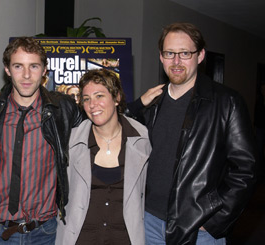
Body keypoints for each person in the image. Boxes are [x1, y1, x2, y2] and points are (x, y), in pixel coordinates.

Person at [127, 22, 257, 244]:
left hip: (199, 228)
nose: (176, 61)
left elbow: (246, 170)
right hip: (148, 222)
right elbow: (115, 127)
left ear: (200, 55)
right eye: (170, 53)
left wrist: (216, 219)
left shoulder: (227, 102)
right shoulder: (152, 104)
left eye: (184, 53)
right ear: (161, 56)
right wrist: (138, 104)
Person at [0, 37, 83, 244]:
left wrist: (138, 106)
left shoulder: (62, 109)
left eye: (34, 66)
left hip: (44, 233)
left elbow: (102, 117)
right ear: (7, 69)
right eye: (18, 66)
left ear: (44, 70)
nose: (26, 75)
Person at [55, 69, 151, 244]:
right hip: (80, 239)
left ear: (116, 98)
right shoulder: (70, 142)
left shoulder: (142, 139)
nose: (92, 104)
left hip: (125, 239)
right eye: (86, 99)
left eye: (99, 96)